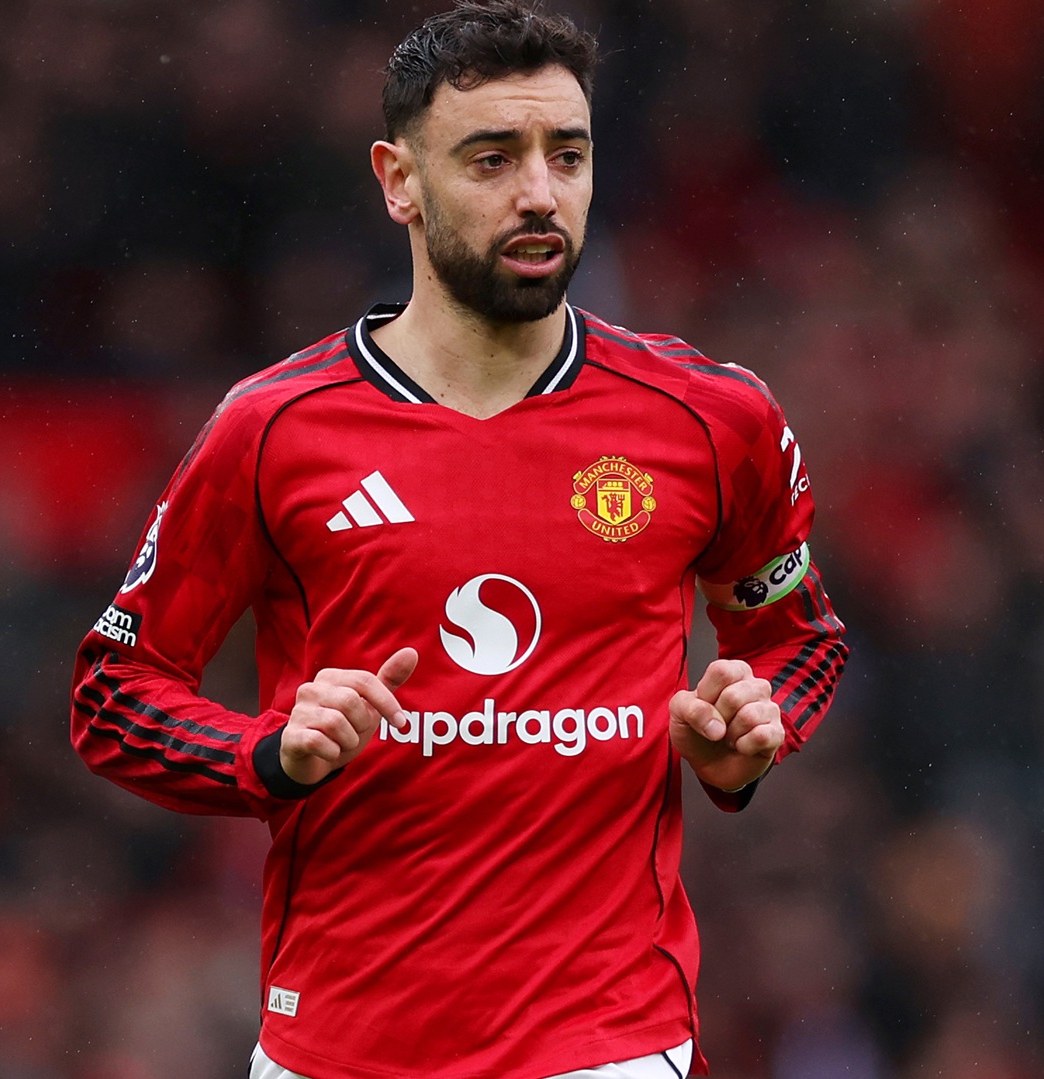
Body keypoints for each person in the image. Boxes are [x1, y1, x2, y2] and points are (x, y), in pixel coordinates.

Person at [68, 3, 848, 1076]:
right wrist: (268, 752)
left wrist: (755, 731)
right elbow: (113, 691)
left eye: (566, 155)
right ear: (398, 180)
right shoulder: (273, 429)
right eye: (492, 157)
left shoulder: (713, 417)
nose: (539, 192)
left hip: (611, 1044)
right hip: (342, 1045)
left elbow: (798, 639)